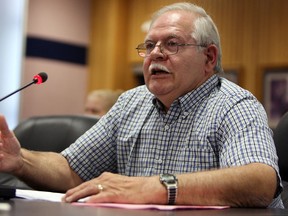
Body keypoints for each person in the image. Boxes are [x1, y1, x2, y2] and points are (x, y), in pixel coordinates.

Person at [0, 2, 283, 208]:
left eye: (171, 44)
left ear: (209, 58)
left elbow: (260, 181)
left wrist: (154, 187)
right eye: (149, 46)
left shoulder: (235, 105)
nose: (155, 55)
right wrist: (20, 160)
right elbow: (71, 169)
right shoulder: (131, 102)